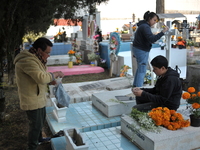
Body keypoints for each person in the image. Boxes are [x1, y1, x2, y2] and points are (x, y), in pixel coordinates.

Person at [14, 37, 64, 150]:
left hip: (38, 97)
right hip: (31, 99)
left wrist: (50, 80)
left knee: (41, 120)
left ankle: (40, 139)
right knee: (35, 125)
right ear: (40, 50)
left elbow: (40, 75)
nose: (48, 56)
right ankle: (32, 146)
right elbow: (41, 77)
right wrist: (55, 74)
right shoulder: (27, 60)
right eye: (47, 53)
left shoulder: (36, 58)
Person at [132, 11, 169, 87]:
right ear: (149, 18)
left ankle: (135, 86)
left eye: (156, 21)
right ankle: (138, 89)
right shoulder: (145, 27)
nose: (155, 22)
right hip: (141, 50)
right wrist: (163, 32)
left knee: (140, 69)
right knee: (142, 70)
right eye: (154, 20)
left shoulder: (143, 25)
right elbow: (152, 39)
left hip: (138, 49)